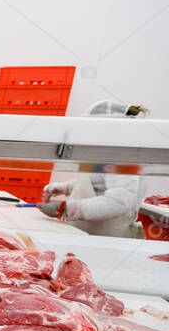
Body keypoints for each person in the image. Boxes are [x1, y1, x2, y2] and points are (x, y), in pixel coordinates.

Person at [38, 100, 147, 238]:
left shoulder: (123, 155)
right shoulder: (106, 151)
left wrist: (69, 209)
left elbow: (119, 202)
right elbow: (98, 184)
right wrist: (66, 187)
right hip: (87, 233)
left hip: (106, 238)